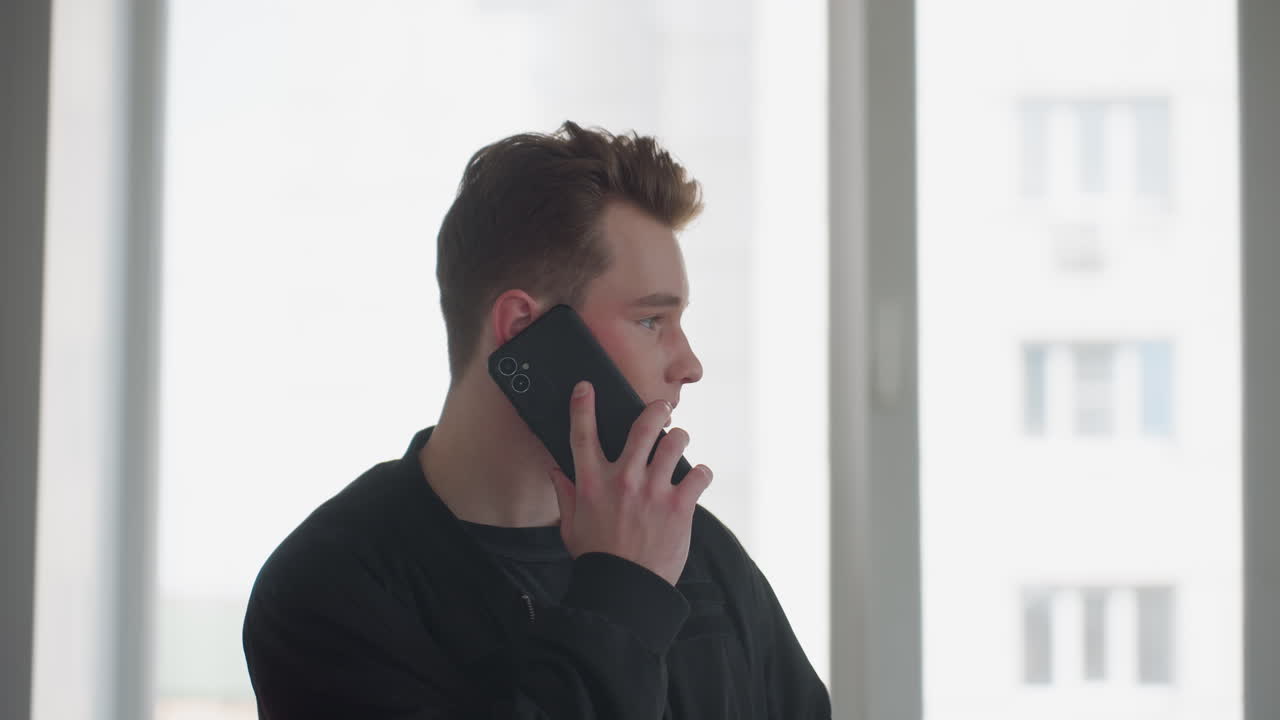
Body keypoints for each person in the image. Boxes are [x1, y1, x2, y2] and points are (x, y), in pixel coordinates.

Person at [242, 121, 831, 719]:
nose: (691, 365)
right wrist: (624, 592)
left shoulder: (696, 550)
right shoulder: (333, 587)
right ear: (524, 330)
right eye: (653, 321)